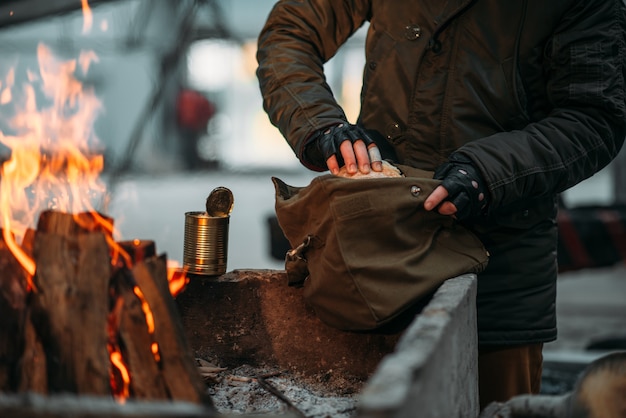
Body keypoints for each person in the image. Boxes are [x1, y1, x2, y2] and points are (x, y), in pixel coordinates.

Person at [255, 0, 626, 410]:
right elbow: (291, 30)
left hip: (499, 266)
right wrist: (321, 125)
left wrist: (488, 172)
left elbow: (593, 115)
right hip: (373, 250)